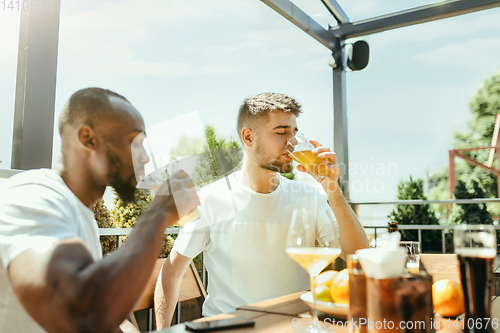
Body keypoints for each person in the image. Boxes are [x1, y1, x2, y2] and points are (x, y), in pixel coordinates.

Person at [154, 92, 370, 328]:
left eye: (294, 133)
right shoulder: (209, 200)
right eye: (281, 133)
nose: (292, 142)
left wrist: (333, 191)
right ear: (248, 137)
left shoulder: (308, 197)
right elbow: (172, 272)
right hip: (230, 329)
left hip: (294, 327)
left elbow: (359, 257)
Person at [0, 88, 200, 333]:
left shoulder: (81, 215)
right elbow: (81, 312)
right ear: (88, 138)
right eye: (134, 142)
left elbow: (102, 312)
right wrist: (157, 216)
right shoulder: (33, 196)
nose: (146, 158)